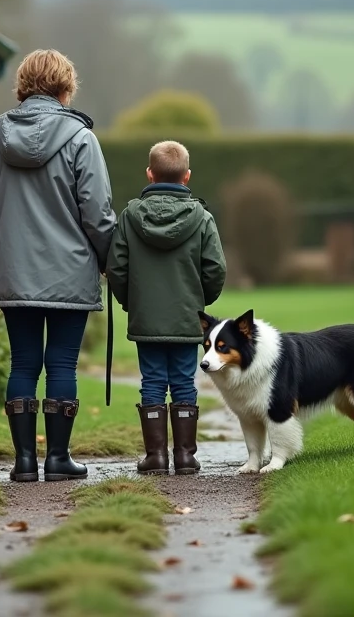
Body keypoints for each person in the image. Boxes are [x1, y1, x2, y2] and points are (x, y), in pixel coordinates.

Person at [0, 49, 115, 483]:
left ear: (23, 85)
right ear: (64, 87)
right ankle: (57, 459)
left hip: (16, 274)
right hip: (70, 274)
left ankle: (23, 463)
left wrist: (6, 255)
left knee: (22, 365)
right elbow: (98, 212)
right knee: (62, 365)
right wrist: (108, 259)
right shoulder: (81, 139)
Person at [106, 140, 226, 475]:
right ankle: (186, 457)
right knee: (185, 382)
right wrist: (199, 303)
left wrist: (133, 302)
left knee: (153, 381)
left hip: (147, 317)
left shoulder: (130, 216)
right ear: (186, 176)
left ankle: (156, 458)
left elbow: (116, 268)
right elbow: (216, 269)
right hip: (188, 318)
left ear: (149, 174)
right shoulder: (202, 217)